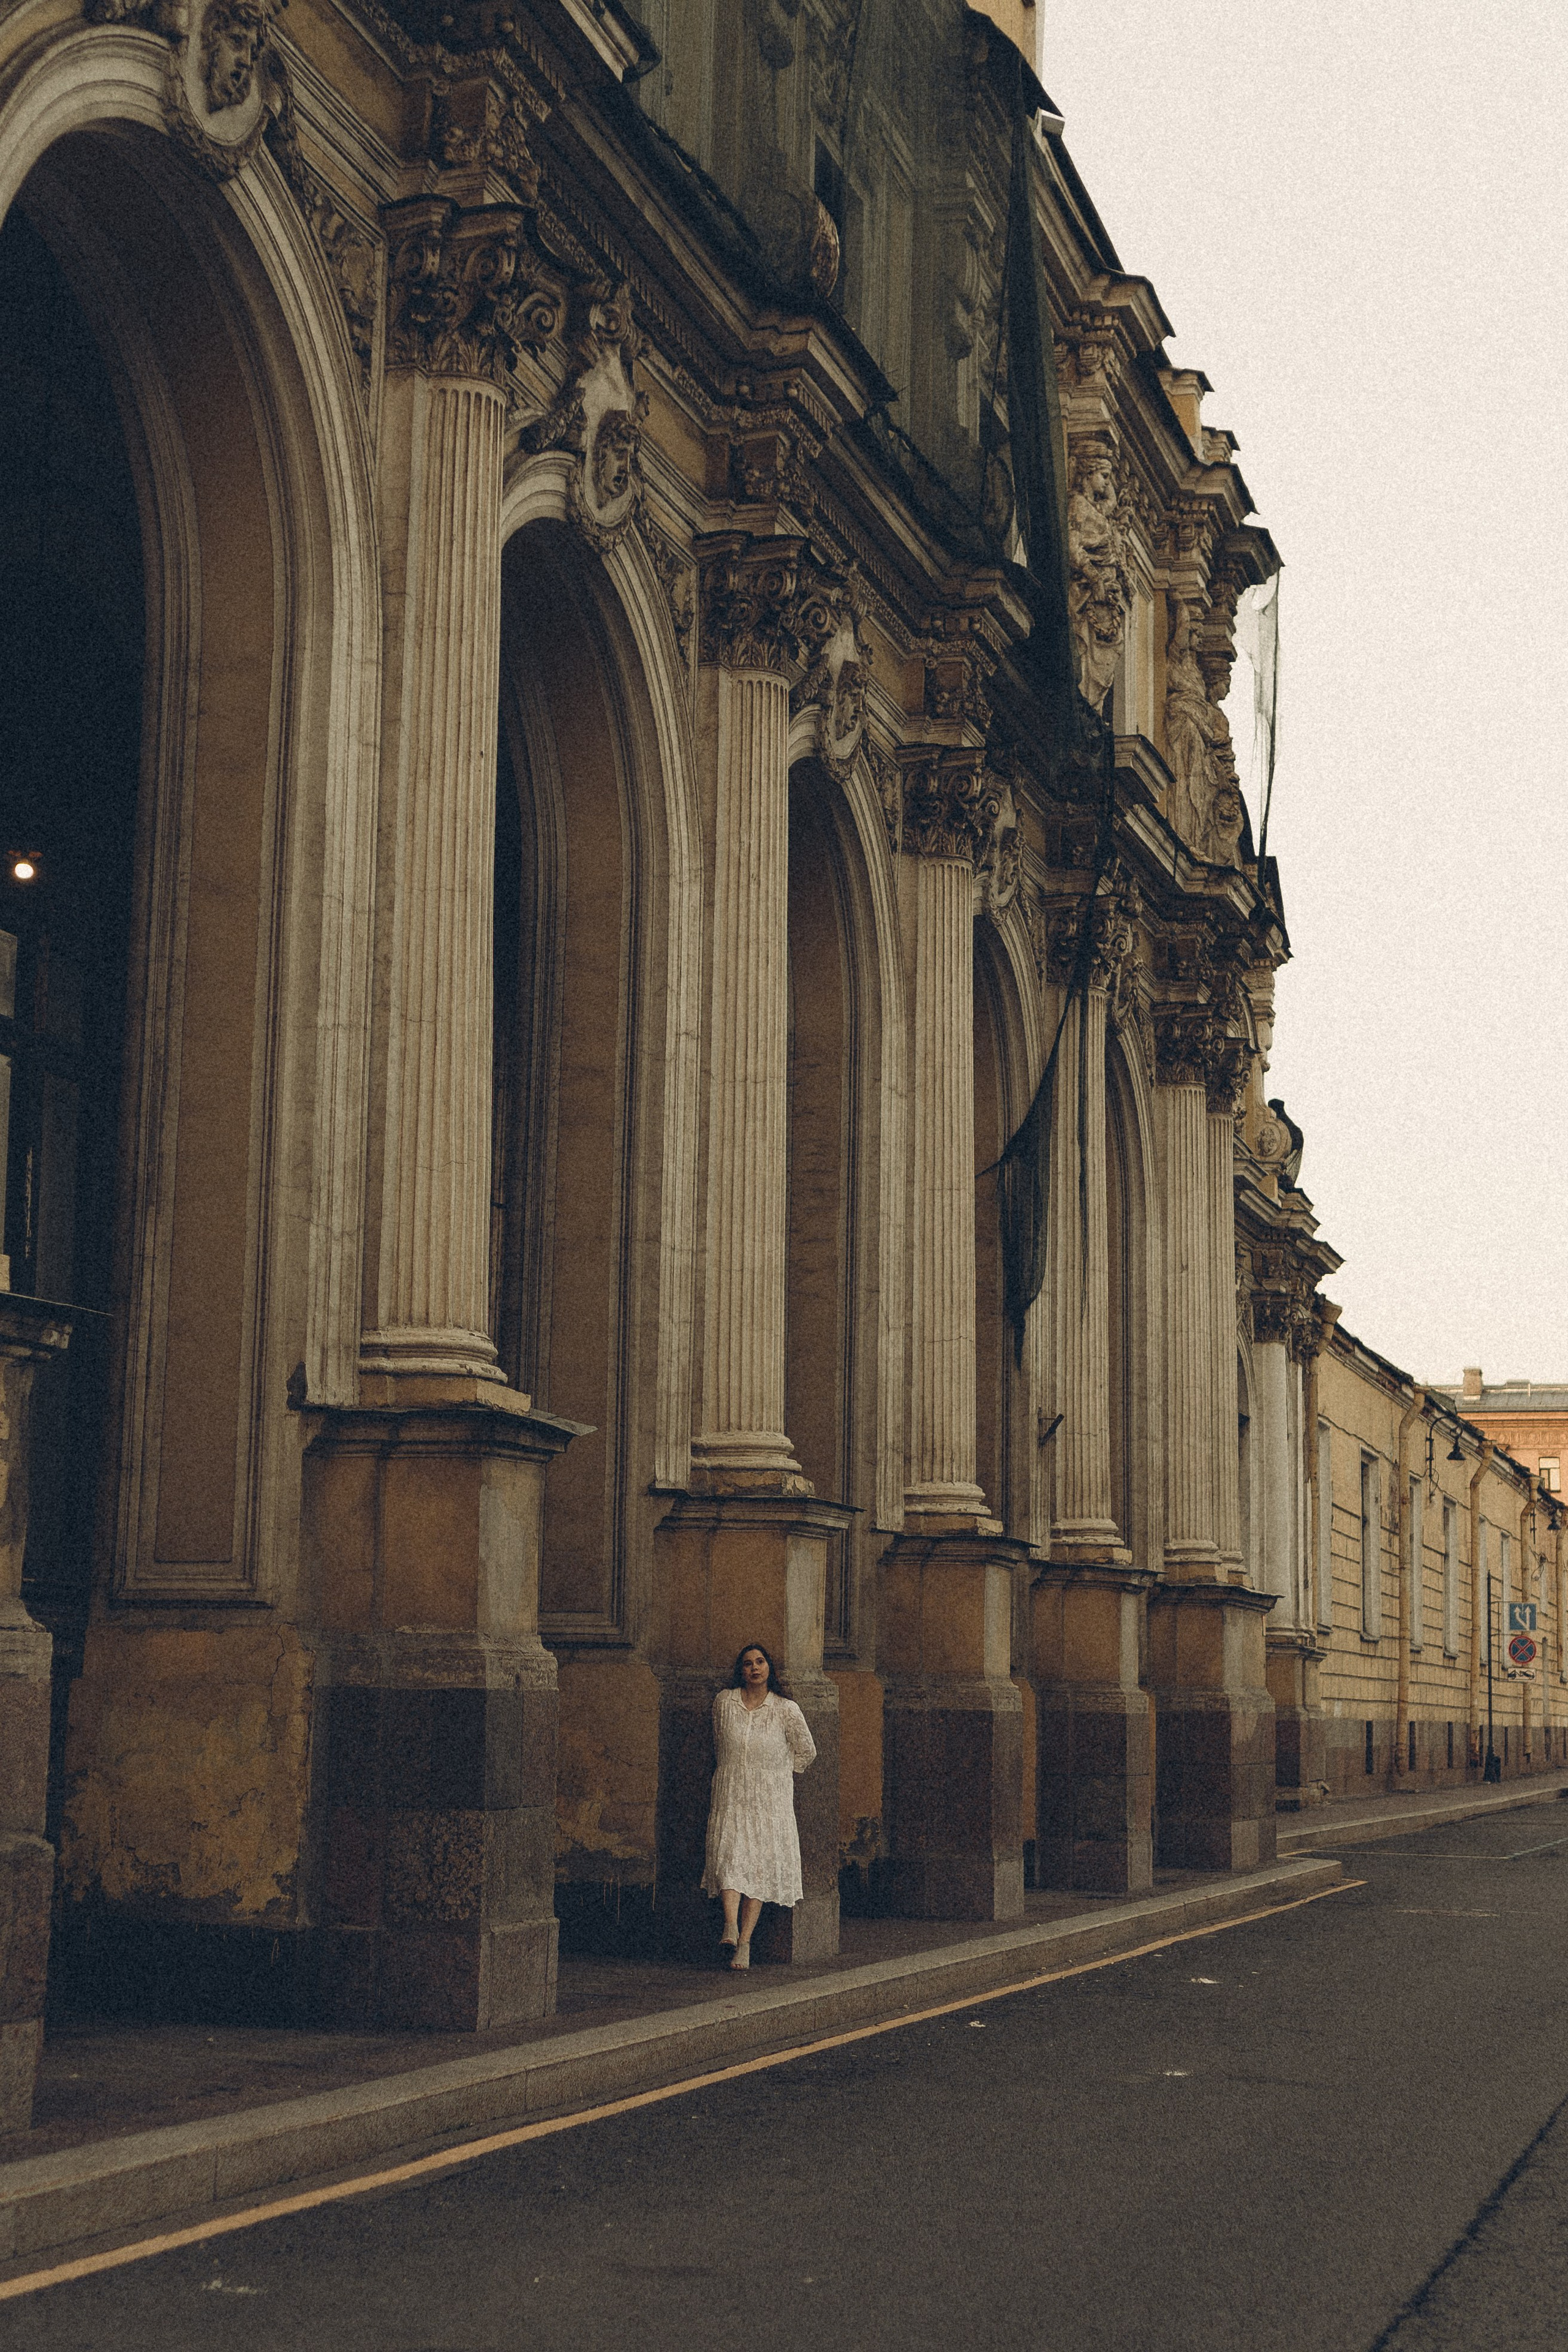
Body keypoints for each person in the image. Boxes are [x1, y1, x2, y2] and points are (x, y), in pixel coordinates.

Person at [701, 1642, 816, 1970]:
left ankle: (746, 1943)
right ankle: (730, 1925)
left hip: (769, 1802)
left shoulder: (786, 1709)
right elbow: (719, 1744)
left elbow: (807, 1751)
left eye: (760, 1662)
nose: (755, 1668)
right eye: (748, 1663)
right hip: (732, 1795)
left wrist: (778, 1774)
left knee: (758, 1868)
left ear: (769, 1668)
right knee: (729, 1857)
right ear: (741, 1671)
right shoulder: (724, 1702)